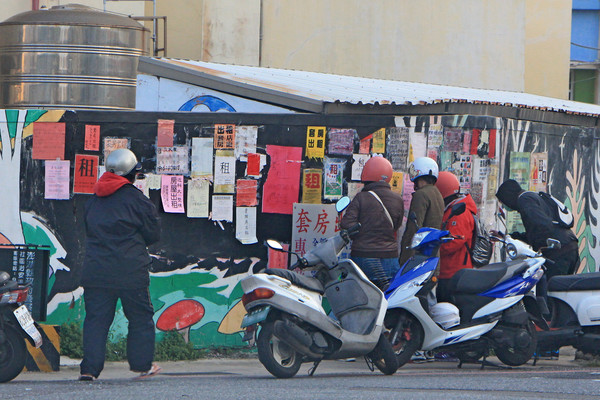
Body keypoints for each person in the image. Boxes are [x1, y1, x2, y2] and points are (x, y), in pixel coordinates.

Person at [79, 148, 161, 381]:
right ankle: (142, 366)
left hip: (96, 271)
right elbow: (153, 234)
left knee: (96, 321)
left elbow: (89, 229)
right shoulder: (138, 201)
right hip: (130, 271)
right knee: (140, 318)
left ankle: (89, 370)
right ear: (131, 174)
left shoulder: (93, 200)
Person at [340, 156, 404, 290]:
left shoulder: (361, 198)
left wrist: (361, 234)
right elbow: (396, 226)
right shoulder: (398, 199)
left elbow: (347, 224)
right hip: (390, 258)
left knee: (361, 296)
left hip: (363, 257)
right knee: (388, 298)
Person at [494, 179, 579, 279]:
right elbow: (535, 230)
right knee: (560, 290)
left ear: (508, 197)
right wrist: (510, 237)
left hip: (559, 252)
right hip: (569, 246)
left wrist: (536, 250)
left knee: (549, 289)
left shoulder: (524, 200)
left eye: (503, 202)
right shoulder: (532, 197)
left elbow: (542, 226)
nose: (505, 206)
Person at [435, 171, 478, 303]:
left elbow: (454, 241)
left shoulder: (460, 212)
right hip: (449, 270)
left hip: (454, 271)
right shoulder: (451, 209)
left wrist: (434, 248)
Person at [399, 157, 445, 267]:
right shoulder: (437, 193)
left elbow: (413, 229)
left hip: (419, 258)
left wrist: (405, 260)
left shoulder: (421, 195)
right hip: (432, 255)